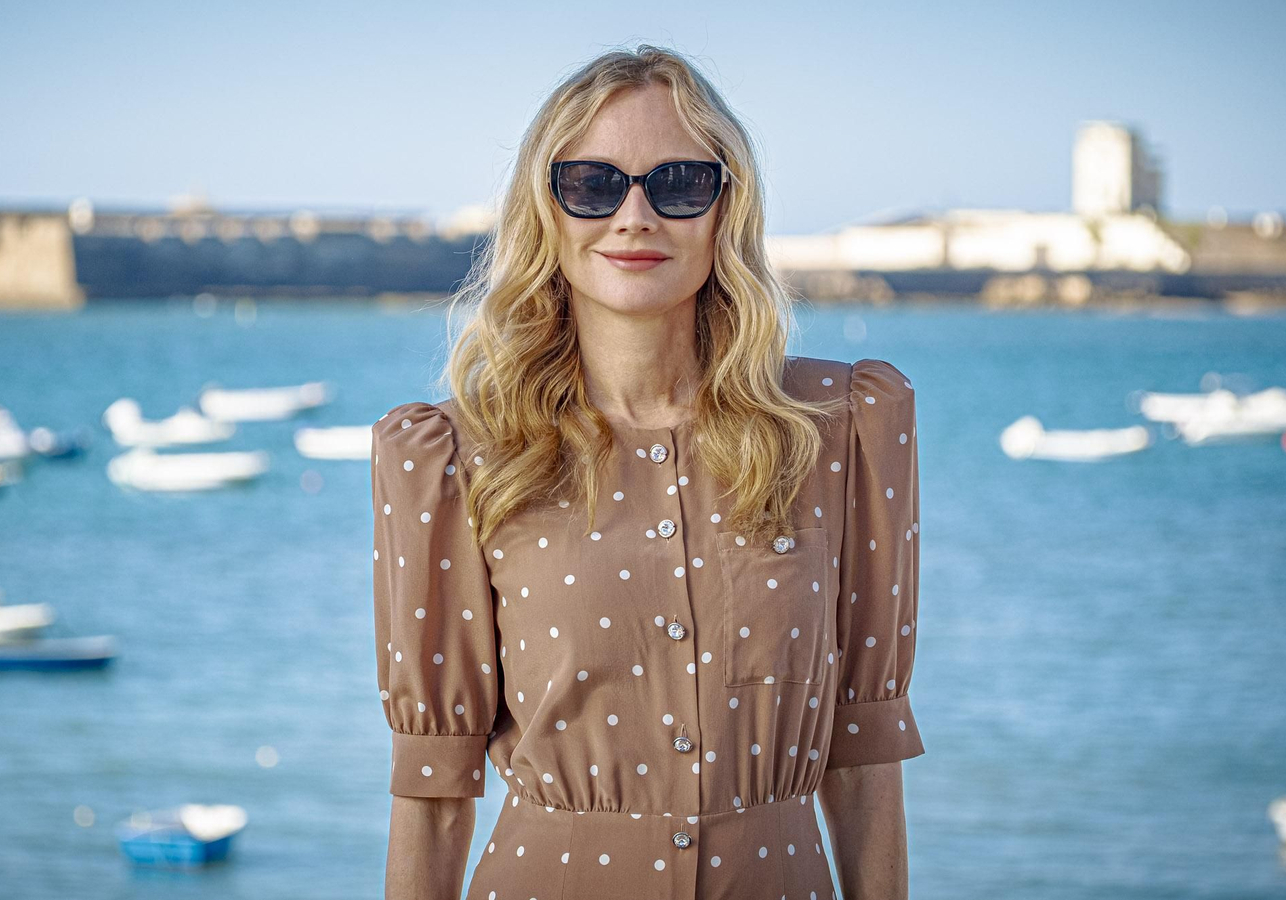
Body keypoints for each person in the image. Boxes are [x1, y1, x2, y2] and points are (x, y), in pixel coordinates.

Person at [371, 44, 924, 900]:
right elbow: (435, 792)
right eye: (592, 184)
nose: (634, 216)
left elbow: (862, 752)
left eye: (678, 184)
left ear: (724, 210)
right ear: (545, 211)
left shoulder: (840, 427)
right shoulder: (458, 459)